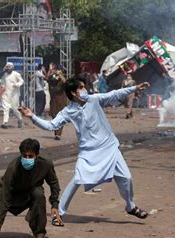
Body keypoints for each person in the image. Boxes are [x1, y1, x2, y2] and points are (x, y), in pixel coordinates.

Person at [19, 78, 151, 226]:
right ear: (74, 93)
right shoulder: (68, 111)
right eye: (81, 87)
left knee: (126, 178)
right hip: (88, 152)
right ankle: (59, 213)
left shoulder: (94, 100)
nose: (85, 89)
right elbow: (51, 125)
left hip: (109, 147)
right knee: (77, 179)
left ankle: (130, 206)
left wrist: (135, 88)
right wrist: (33, 117)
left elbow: (114, 94)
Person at [0, 138, 62, 238]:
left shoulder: (45, 164)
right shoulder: (13, 167)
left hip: (31, 192)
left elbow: (54, 184)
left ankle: (39, 233)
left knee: (38, 194)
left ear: (37, 155)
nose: (27, 159)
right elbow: (5, 196)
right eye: (24, 156)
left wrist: (54, 205)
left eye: (30, 156)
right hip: (8, 189)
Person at [45, 63, 66, 140]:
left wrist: (60, 75)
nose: (57, 71)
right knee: (54, 116)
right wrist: (50, 70)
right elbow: (46, 79)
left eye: (58, 69)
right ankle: (56, 132)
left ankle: (58, 134)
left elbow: (65, 82)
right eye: (56, 69)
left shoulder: (62, 78)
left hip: (61, 102)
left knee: (60, 117)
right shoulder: (53, 78)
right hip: (53, 101)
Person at [1, 62, 24, 129]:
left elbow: (21, 81)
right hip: (6, 94)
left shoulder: (16, 74)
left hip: (15, 95)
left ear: (12, 68)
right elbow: (3, 82)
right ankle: (5, 122)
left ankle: (20, 119)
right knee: (6, 108)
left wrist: (17, 85)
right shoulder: (5, 74)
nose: (8, 69)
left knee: (15, 109)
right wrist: (3, 86)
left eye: (9, 68)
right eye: (7, 68)